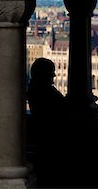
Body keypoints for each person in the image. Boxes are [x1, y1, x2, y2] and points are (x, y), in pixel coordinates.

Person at [27, 58, 68, 187]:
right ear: (43, 74)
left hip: (45, 140)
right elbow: (63, 109)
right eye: (51, 72)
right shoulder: (45, 91)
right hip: (51, 141)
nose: (54, 75)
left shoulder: (35, 89)